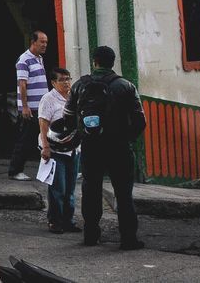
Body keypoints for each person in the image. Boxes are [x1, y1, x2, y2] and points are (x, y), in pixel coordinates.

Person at [63, 45, 146, 250]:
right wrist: (127, 138)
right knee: (124, 193)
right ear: (113, 62)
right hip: (118, 147)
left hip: (91, 147)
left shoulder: (79, 86)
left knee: (91, 189)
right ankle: (128, 238)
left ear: (95, 62)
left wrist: (84, 133)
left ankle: (91, 234)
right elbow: (140, 120)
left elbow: (67, 118)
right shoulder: (126, 86)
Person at [38, 67, 79, 234]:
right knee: (58, 188)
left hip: (73, 149)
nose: (66, 82)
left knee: (70, 188)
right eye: (62, 79)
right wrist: (46, 147)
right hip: (55, 150)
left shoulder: (74, 98)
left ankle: (68, 221)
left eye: (68, 78)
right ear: (53, 83)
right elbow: (43, 123)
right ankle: (54, 221)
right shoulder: (48, 99)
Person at [9, 30, 49, 180]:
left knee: (46, 137)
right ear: (33, 42)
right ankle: (15, 171)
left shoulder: (39, 59)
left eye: (46, 42)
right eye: (42, 42)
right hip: (31, 108)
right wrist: (25, 107)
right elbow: (22, 85)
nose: (45, 45)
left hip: (42, 107)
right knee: (26, 139)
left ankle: (50, 168)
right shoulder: (24, 60)